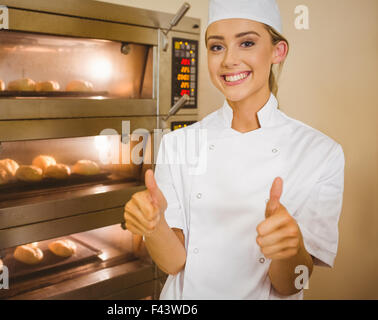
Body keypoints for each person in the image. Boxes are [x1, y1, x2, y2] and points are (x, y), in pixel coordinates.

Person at [123, 0, 345, 299]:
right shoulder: (179, 143)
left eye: (247, 43)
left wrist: (289, 249)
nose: (228, 60)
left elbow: (292, 283)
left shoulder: (320, 154)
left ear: (277, 52)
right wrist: (153, 226)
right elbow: (173, 262)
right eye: (217, 47)